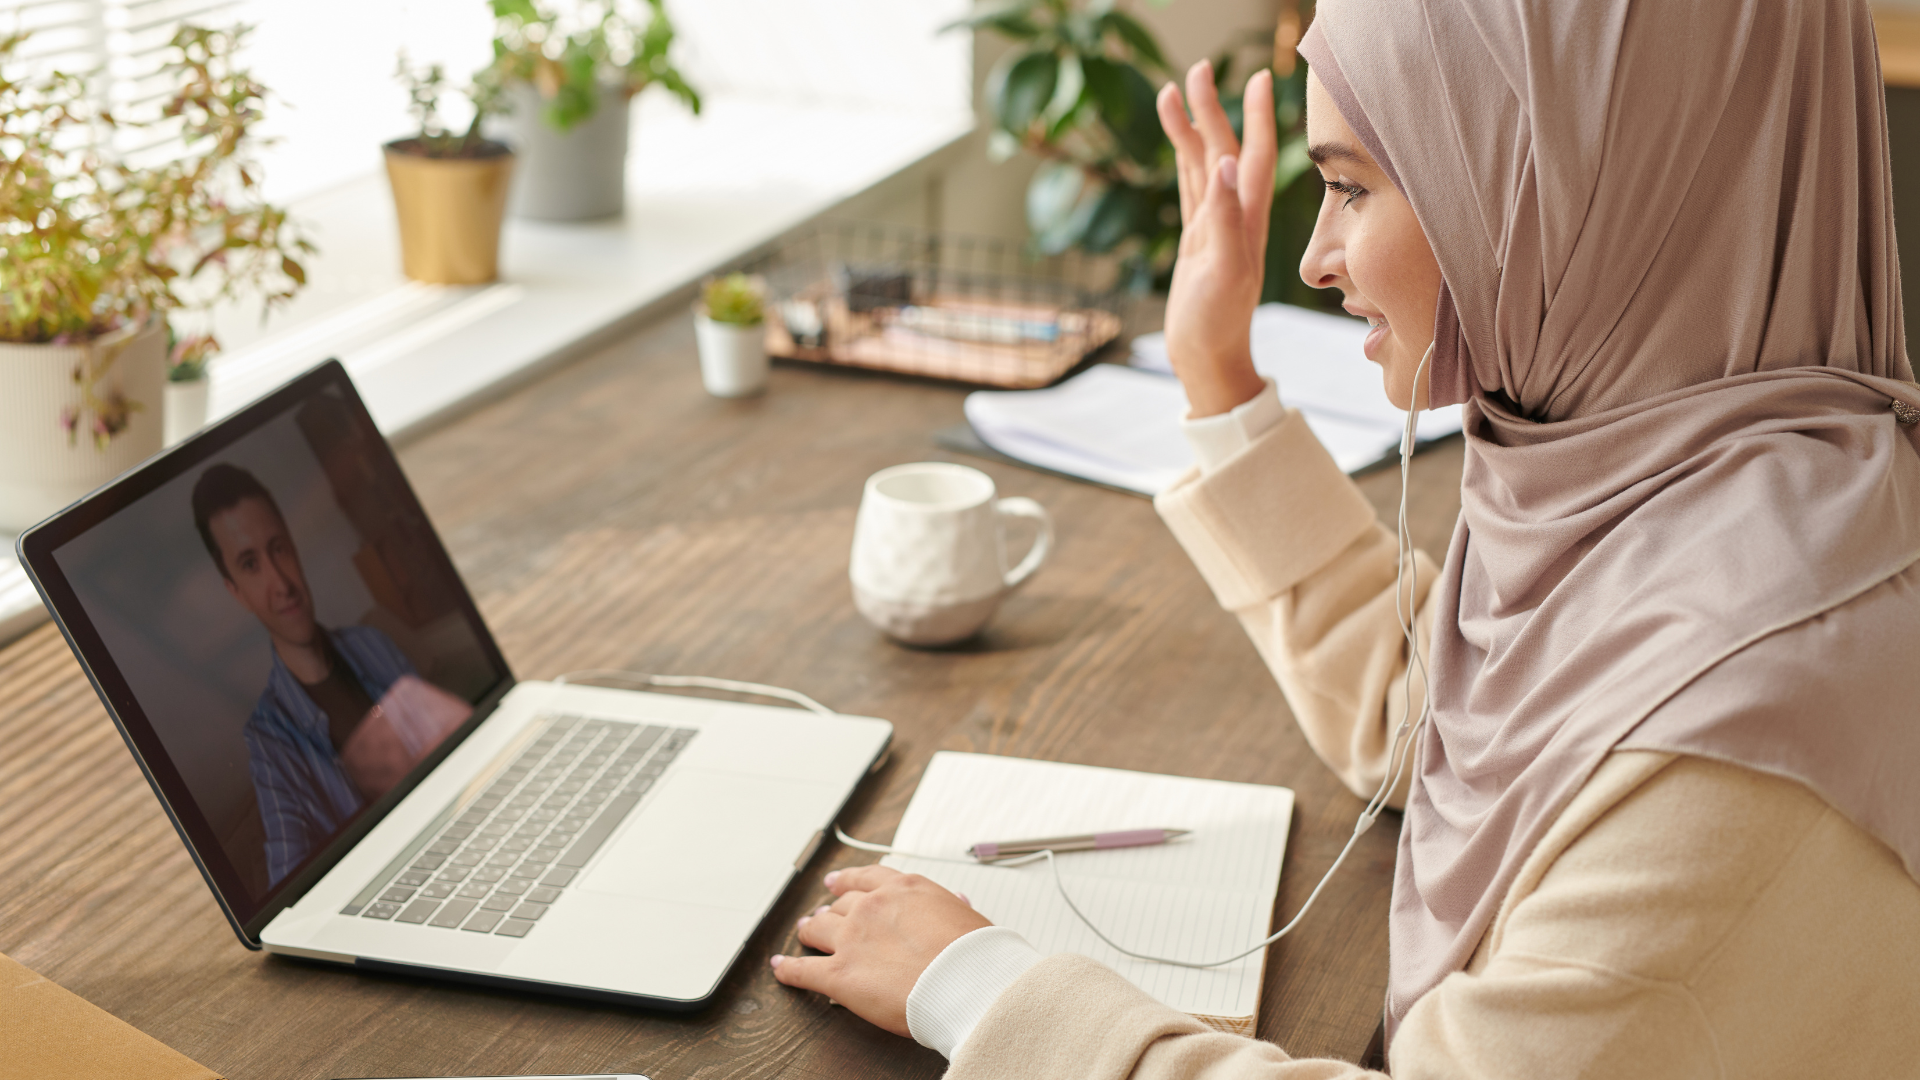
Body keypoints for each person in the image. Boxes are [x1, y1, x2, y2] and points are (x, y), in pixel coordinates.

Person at [766, 0, 1920, 1075]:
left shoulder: (1748, 713)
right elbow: (1449, 725)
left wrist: (981, 988)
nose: (1316, 259)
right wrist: (1218, 374)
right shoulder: (1706, 483)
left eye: (1355, 188)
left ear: (1558, 187)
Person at [192, 463, 470, 886]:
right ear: (236, 592)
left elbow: (450, 752)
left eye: (279, 549)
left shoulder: (372, 643)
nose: (281, 582)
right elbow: (286, 887)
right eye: (251, 564)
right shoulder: (269, 742)